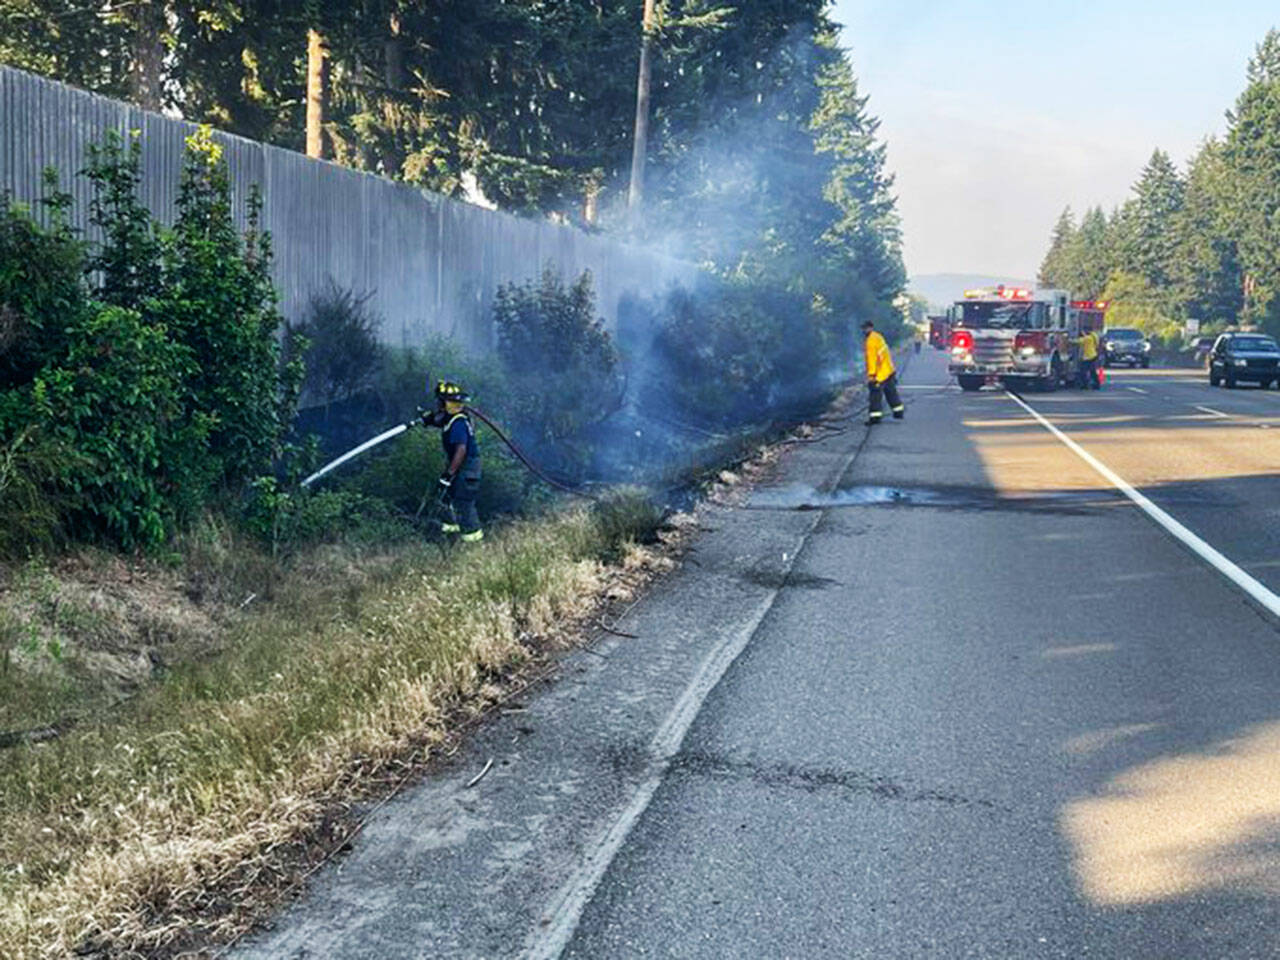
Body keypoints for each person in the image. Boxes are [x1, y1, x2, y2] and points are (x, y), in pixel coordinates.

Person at [421, 380, 483, 542]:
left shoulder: (458, 423)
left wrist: (449, 474)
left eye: (440, 402)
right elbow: (440, 420)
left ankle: (474, 544)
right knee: (447, 499)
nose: (438, 405)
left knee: (464, 504)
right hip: (461, 468)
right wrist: (429, 419)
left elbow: (461, 450)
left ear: (445, 403)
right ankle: (451, 539)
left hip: (465, 468)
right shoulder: (454, 419)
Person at [862, 320, 904, 426]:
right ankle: (898, 412)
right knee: (891, 392)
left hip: (880, 373)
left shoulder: (870, 341)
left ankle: (875, 417)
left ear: (870, 328)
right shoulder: (878, 337)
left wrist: (872, 376)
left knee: (875, 395)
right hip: (888, 370)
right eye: (863, 328)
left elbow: (872, 360)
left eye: (865, 328)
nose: (864, 330)